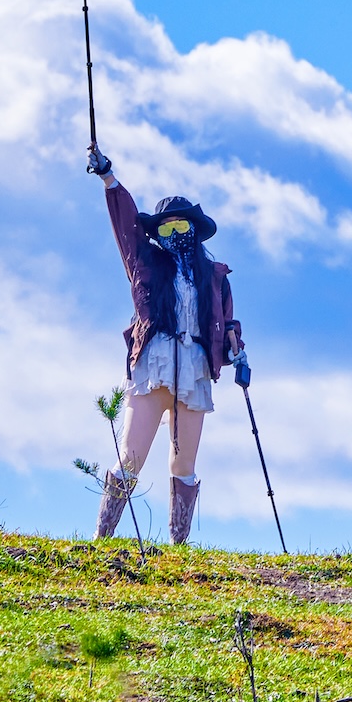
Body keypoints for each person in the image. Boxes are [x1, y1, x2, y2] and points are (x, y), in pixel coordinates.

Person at [86, 144, 246, 545]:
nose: (174, 236)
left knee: (184, 464)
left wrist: (237, 352)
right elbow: (125, 226)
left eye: (181, 228)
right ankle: (102, 538)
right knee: (131, 456)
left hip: (194, 368)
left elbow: (226, 323)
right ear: (156, 235)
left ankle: (178, 545)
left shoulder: (214, 276)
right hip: (154, 363)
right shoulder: (145, 263)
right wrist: (109, 179)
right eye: (165, 230)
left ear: (194, 231)